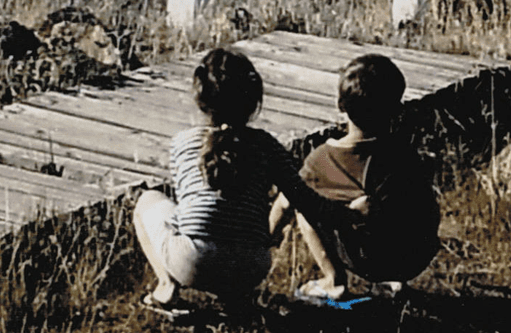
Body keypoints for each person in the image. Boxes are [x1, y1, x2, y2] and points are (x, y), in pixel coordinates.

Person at [133, 46, 346, 314]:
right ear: (253, 101)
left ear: (201, 99)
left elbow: (188, 207)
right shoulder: (267, 146)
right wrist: (348, 212)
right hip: (252, 267)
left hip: (193, 262)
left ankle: (166, 287)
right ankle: (235, 295)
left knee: (147, 201)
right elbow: (305, 199)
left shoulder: (183, 142)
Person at [269, 53, 440, 303]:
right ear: (395, 108)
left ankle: (333, 281)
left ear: (341, 106)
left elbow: (285, 201)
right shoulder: (403, 154)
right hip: (415, 256)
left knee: (304, 206)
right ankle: (392, 283)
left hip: (366, 259)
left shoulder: (321, 160)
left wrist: (266, 238)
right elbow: (428, 209)